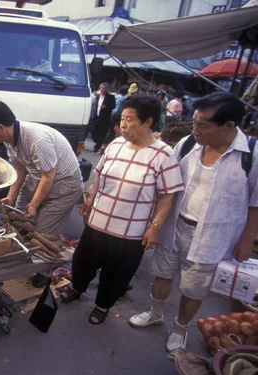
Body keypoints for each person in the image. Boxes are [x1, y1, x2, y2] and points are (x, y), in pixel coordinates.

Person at [129, 92, 258, 352]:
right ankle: (155, 314)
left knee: (194, 288)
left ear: (228, 127)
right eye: (194, 121)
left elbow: (256, 203)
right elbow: (166, 186)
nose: (195, 129)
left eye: (203, 125)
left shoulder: (251, 155)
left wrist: (246, 240)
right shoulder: (188, 144)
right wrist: (154, 221)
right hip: (174, 226)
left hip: (213, 236)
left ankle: (180, 328)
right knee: (162, 273)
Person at [60, 95, 183, 325]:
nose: (123, 125)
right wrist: (90, 197)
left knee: (116, 272)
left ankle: (103, 305)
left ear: (148, 122)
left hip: (130, 231)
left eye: (130, 120)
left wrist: (155, 228)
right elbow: (99, 175)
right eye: (122, 119)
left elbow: (167, 196)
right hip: (98, 221)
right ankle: (76, 288)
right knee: (83, 260)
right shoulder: (115, 144)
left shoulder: (163, 154)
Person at [0, 101, 83, 237]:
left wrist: (34, 204)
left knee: (42, 233)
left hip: (64, 184)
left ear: (0, 127)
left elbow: (49, 176)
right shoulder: (9, 138)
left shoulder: (38, 140)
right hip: (37, 178)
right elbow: (19, 169)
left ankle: (44, 257)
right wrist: (11, 196)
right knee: (15, 217)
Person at [92, 83, 116, 153]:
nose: (103, 90)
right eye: (102, 88)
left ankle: (97, 146)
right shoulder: (97, 96)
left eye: (105, 89)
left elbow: (113, 106)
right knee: (93, 131)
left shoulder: (111, 97)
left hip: (105, 118)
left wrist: (106, 107)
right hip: (96, 116)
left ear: (107, 90)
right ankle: (97, 141)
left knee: (102, 133)